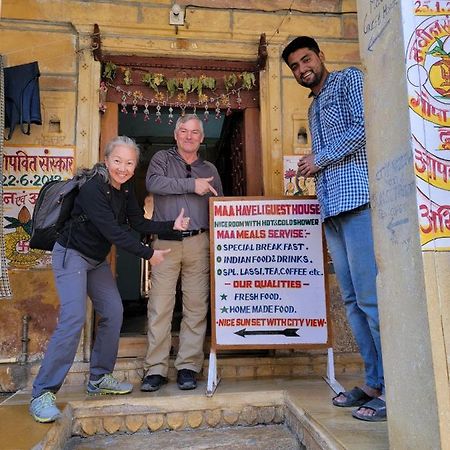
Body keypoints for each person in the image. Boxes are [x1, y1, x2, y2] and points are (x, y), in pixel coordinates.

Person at [29, 136, 189, 423]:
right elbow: (114, 232)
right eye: (118, 161)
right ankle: (42, 393)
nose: (123, 168)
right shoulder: (92, 188)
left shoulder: (125, 189)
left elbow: (137, 222)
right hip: (72, 255)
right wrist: (148, 254)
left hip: (95, 260)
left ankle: (99, 378)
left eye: (129, 163)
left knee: (114, 312)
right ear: (106, 160)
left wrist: (171, 226)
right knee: (74, 319)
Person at [282, 37, 386, 422]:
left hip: (358, 202)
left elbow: (363, 129)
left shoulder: (349, 81)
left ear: (320, 56)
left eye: (305, 59)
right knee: (352, 303)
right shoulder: (312, 108)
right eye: (294, 66)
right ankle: (373, 383)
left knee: (371, 301)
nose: (301, 68)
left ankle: (392, 389)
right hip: (332, 211)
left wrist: (318, 159)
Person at [141, 114, 223, 392]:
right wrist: (192, 185)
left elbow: (219, 207)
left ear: (202, 138)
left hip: (200, 242)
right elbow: (154, 184)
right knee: (160, 306)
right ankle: (155, 369)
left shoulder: (209, 167)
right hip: (166, 242)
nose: (189, 136)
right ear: (176, 135)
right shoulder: (162, 160)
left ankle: (188, 366)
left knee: (196, 306)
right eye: (184, 131)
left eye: (195, 132)